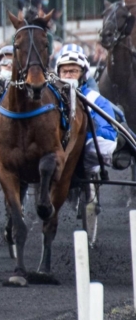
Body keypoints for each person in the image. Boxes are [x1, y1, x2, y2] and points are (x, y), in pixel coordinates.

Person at [56, 44, 118, 211]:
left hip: (85, 156)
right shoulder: (48, 100)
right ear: (58, 73)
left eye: (73, 71)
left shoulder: (96, 100)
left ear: (82, 74)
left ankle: (89, 183)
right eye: (65, 71)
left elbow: (108, 134)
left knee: (97, 146)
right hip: (54, 155)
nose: (68, 75)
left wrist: (88, 130)